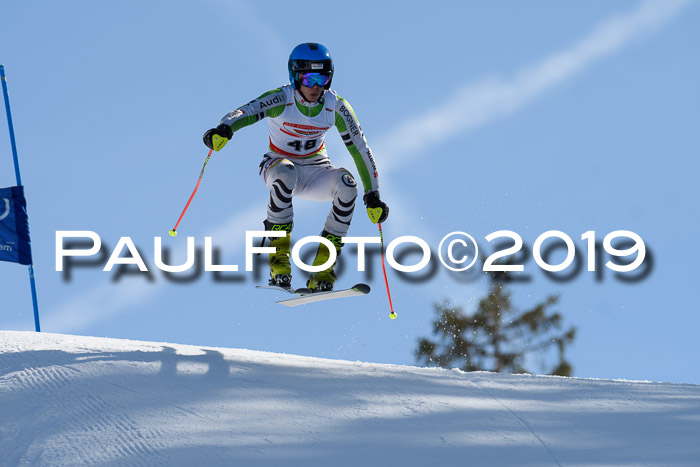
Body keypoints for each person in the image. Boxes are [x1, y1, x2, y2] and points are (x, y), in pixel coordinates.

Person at [203, 42, 388, 292]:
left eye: (322, 78)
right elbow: (247, 111)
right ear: (295, 76)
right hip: (277, 166)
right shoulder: (283, 98)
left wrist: (372, 194)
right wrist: (224, 128)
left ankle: (323, 268)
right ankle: (279, 264)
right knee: (286, 172)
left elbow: (360, 149)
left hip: (315, 171)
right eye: (308, 78)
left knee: (347, 186)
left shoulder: (336, 106)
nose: (315, 87)